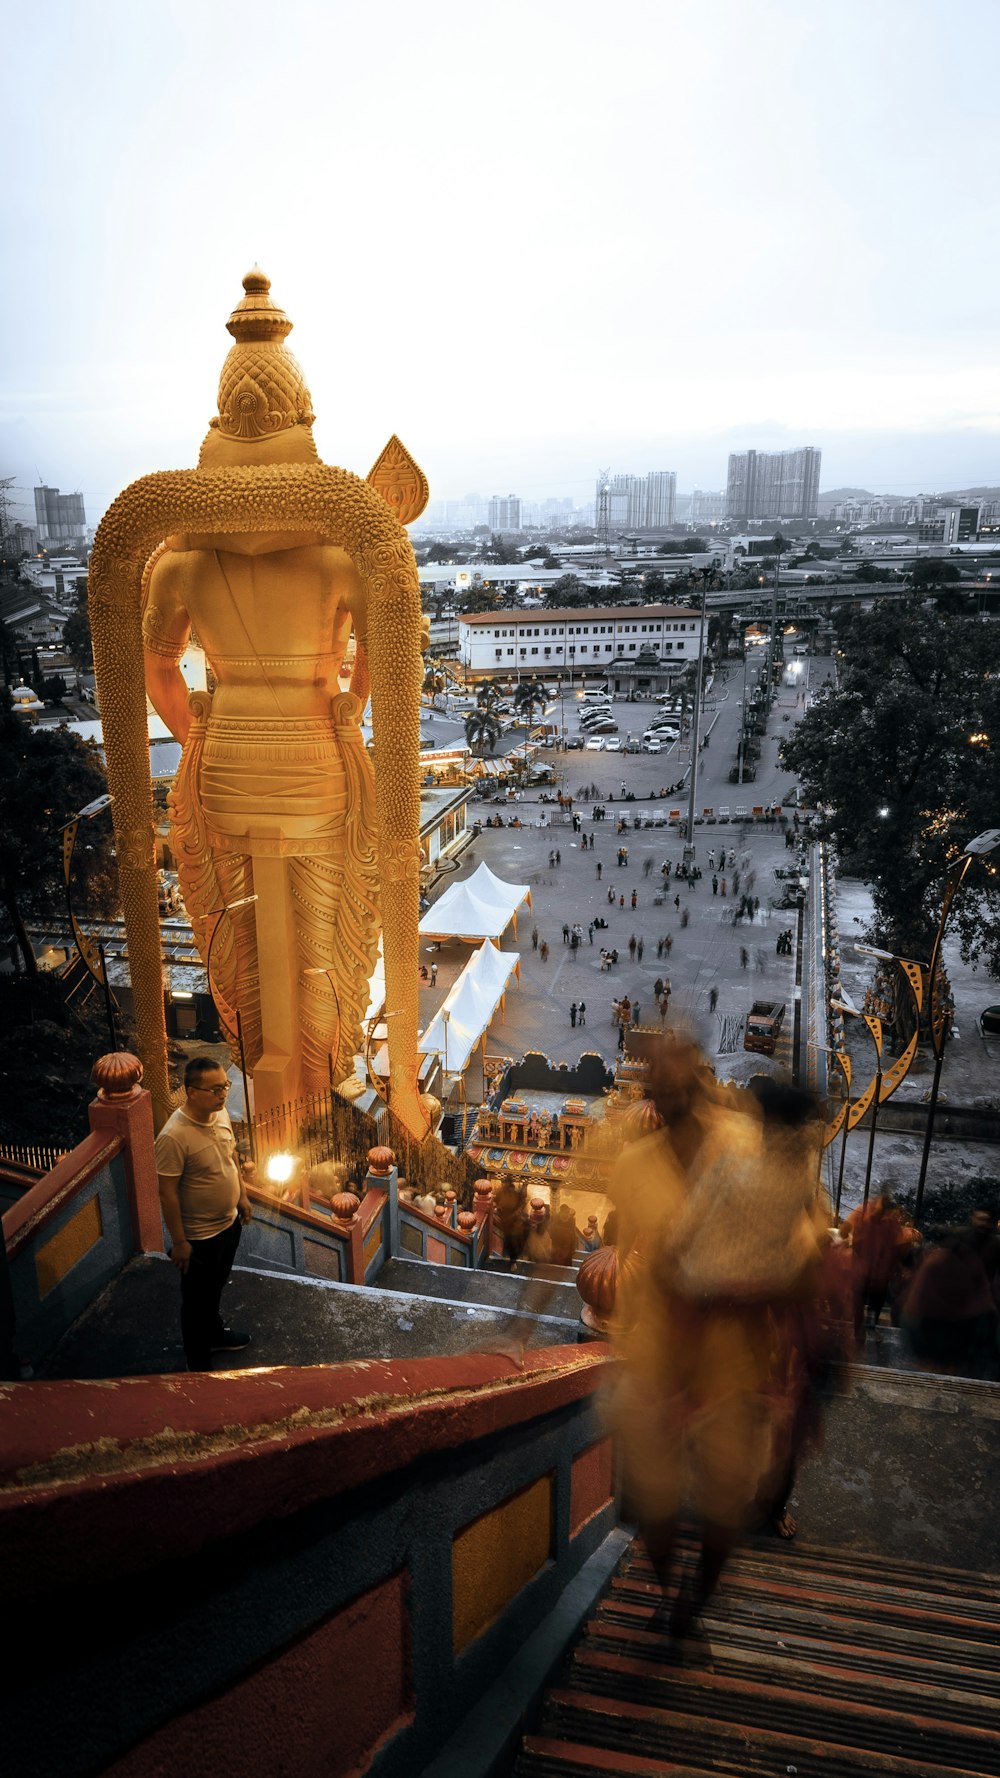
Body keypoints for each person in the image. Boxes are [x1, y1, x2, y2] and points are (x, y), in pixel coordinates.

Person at [155, 1056, 254, 1370]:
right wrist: (180, 1242)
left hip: (228, 1224)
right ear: (190, 1091)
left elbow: (230, 1157)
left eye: (224, 1086)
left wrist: (243, 1196)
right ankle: (196, 1360)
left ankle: (214, 1334)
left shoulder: (220, 1113)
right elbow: (167, 1193)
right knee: (196, 1301)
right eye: (214, 1090)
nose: (223, 1094)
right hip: (199, 1238)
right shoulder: (174, 1136)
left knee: (216, 1286)